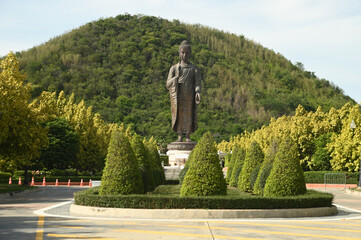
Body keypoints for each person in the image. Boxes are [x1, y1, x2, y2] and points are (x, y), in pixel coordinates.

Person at [166, 40, 201, 142]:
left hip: (190, 95)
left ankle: (188, 136)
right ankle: (180, 135)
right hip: (178, 96)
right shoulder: (174, 68)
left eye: (187, 53)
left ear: (190, 54)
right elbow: (167, 84)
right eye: (182, 52)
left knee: (189, 115)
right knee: (179, 115)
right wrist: (175, 79)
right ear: (179, 53)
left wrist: (197, 91)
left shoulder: (194, 69)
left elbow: (198, 83)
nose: (184, 55)